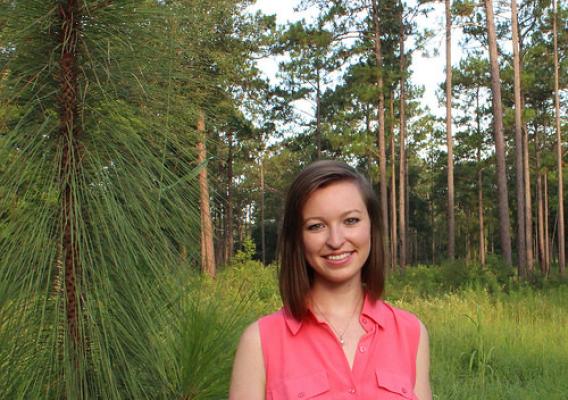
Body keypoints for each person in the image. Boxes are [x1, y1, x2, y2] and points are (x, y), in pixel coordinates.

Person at [229, 160, 432, 400]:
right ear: (298, 238)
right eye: (316, 226)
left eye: (351, 221)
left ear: (371, 227)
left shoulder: (411, 333)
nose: (335, 240)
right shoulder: (259, 342)